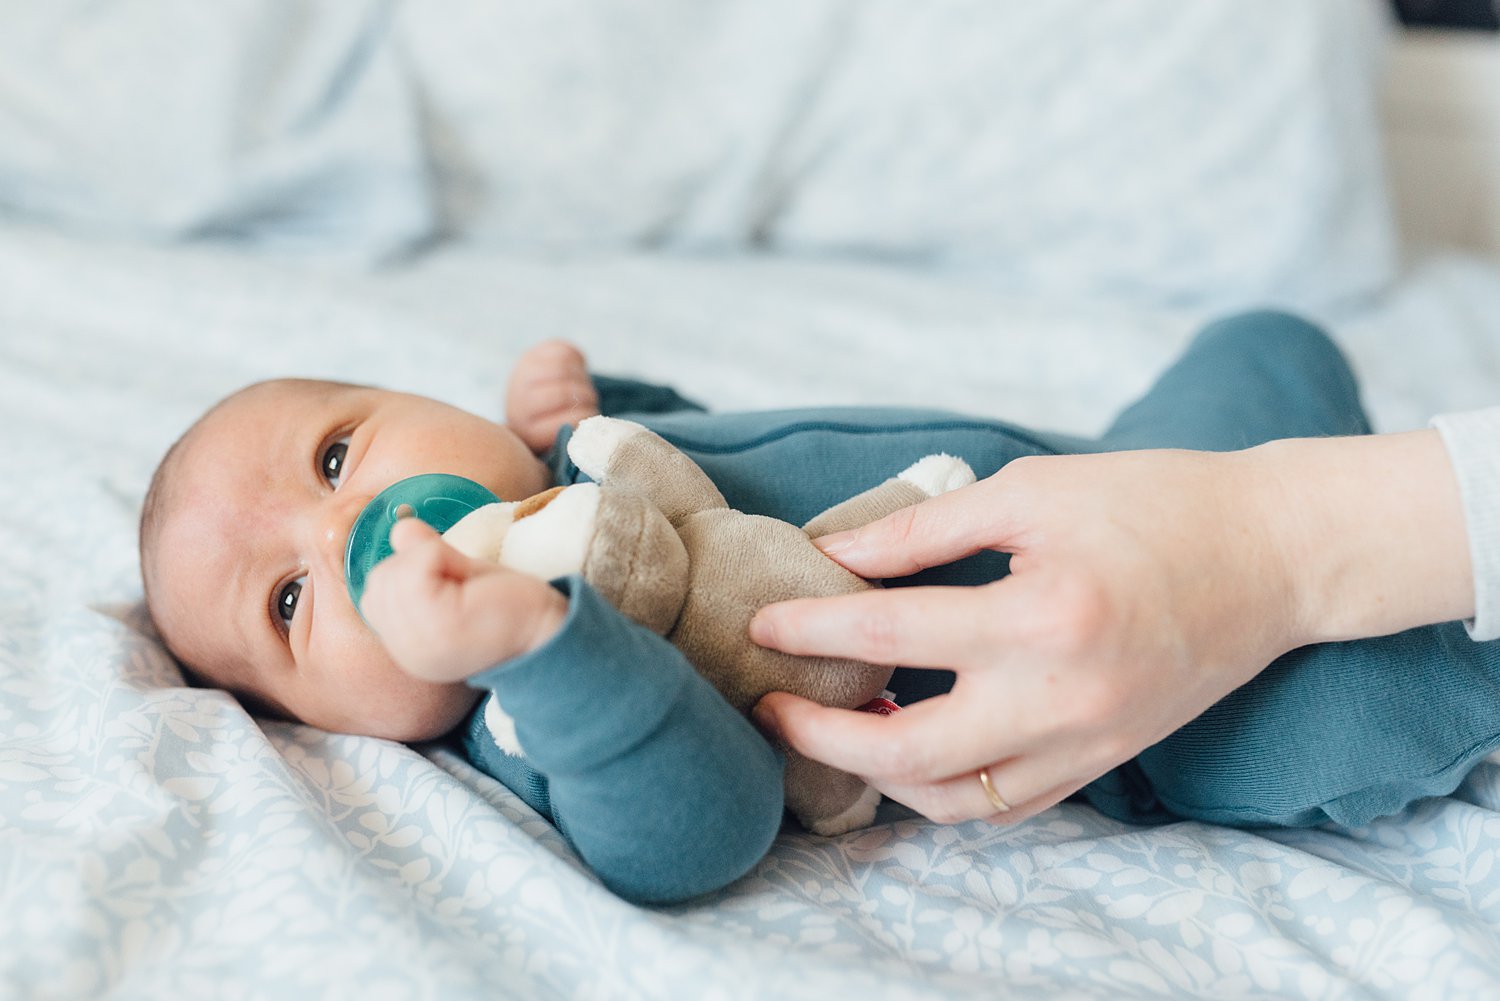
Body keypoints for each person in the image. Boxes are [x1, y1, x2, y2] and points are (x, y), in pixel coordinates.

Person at [138, 310, 1499, 905]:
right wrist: (539, 648)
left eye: (335, 457)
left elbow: (722, 476)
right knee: (1351, 707)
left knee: (1264, 342)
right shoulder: (529, 719)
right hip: (1155, 714)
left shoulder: (577, 467)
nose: (354, 529)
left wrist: (615, 403)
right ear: (310, 722)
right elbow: (697, 824)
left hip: (1120, 471)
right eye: (292, 599)